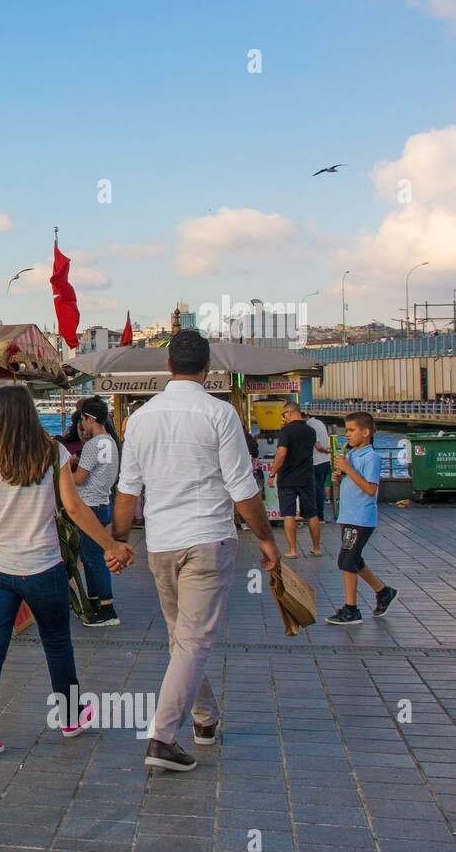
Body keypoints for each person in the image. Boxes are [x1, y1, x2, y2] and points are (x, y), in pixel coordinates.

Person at [113, 331, 280, 773]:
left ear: (168, 366)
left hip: (162, 544)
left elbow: (128, 490)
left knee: (183, 640)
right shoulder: (219, 414)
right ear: (207, 369)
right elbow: (243, 490)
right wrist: (266, 538)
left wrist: (120, 541)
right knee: (193, 641)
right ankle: (162, 737)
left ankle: (204, 719)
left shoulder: (142, 419)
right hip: (207, 539)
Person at [0, 386, 134, 755]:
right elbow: (73, 507)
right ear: (30, 414)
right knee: (56, 642)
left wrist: (2, 518)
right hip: (43, 567)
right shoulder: (51, 454)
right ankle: (71, 717)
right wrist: (110, 545)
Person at [326, 412, 398, 625]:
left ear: (365, 432)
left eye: (351, 430)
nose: (346, 434)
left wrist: (349, 470)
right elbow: (352, 482)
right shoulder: (352, 455)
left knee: (346, 561)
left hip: (360, 517)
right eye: (346, 430)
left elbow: (370, 488)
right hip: (348, 515)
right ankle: (383, 592)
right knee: (354, 560)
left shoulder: (371, 457)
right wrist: (340, 476)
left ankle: (351, 609)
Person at [72, 396, 121, 626]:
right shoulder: (110, 441)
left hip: (89, 506)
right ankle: (94, 601)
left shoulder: (93, 445)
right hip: (103, 504)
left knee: (94, 559)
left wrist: (63, 475)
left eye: (83, 420)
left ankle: (107, 608)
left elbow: (80, 479)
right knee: (91, 557)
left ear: (90, 419)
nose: (81, 424)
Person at [267, 401, 322, 558]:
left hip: (288, 478)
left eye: (284, 415)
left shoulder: (286, 431)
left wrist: (272, 474)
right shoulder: (311, 431)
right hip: (307, 477)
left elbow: (282, 453)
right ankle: (316, 548)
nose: (284, 418)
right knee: (312, 514)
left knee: (289, 514)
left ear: (290, 413)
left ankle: (292, 550)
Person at [306, 412, 333, 523]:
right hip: (326, 461)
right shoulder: (319, 422)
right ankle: (319, 515)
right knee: (320, 488)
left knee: (317, 490)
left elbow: (318, 446)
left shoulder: (311, 425)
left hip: (317, 462)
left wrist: (327, 450)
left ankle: (319, 516)